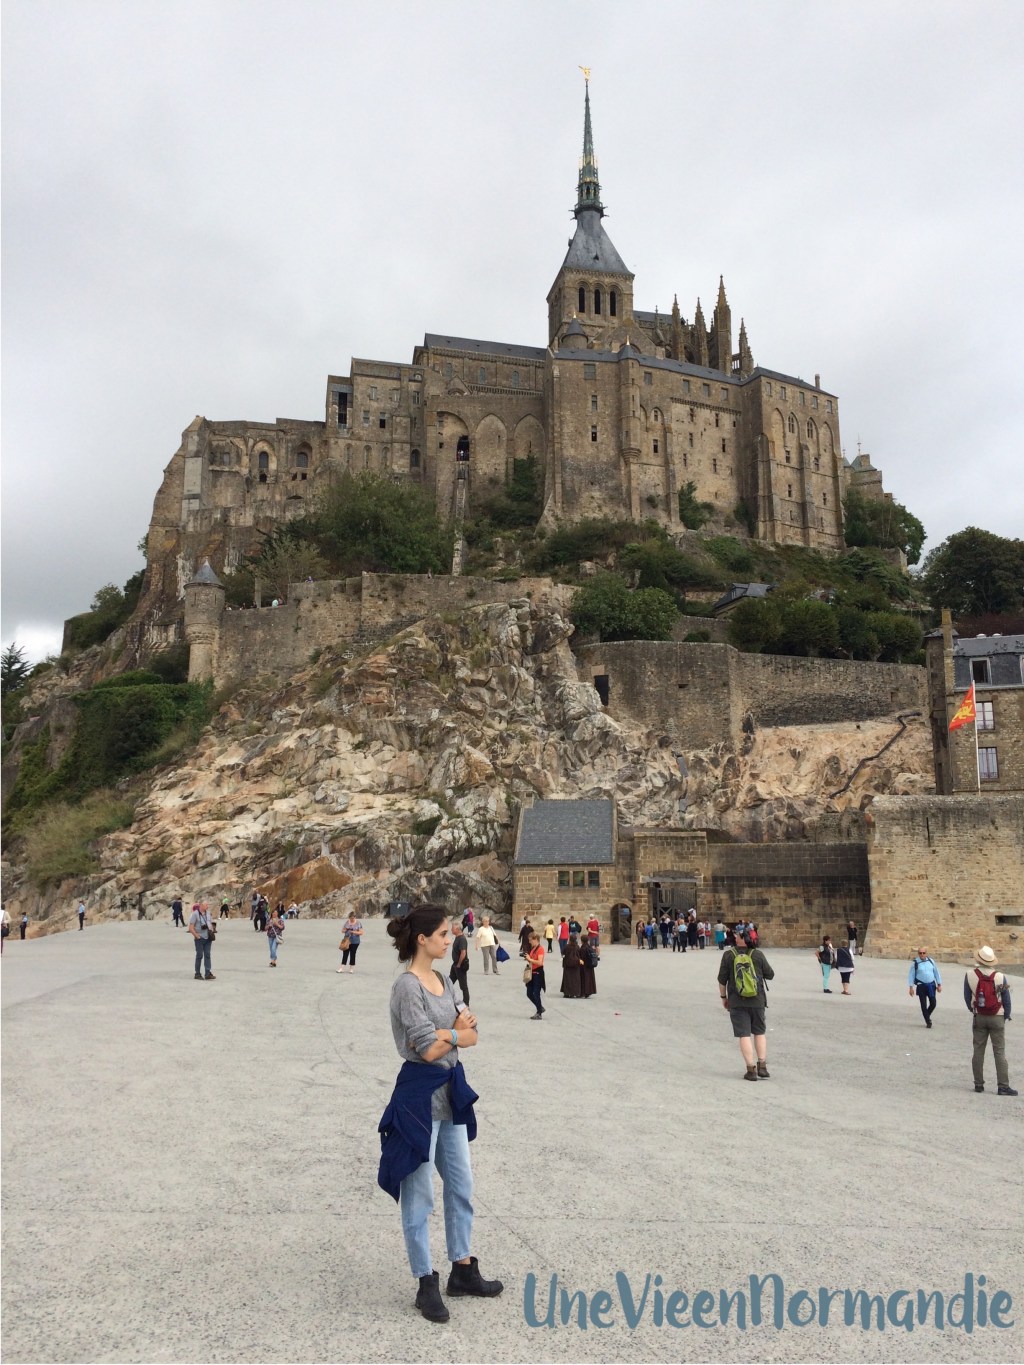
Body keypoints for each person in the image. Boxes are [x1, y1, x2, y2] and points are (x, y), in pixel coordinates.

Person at [378, 905, 502, 1322]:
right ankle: (424, 1281)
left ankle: (462, 1269)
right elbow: (428, 1049)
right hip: (417, 1099)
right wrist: (455, 1033)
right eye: (445, 934)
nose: (451, 940)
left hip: (450, 1095)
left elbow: (475, 1035)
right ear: (423, 940)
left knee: (461, 1184)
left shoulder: (445, 980)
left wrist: (452, 1034)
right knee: (420, 1195)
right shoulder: (407, 987)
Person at [718, 926, 775, 1080]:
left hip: (737, 1001)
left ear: (738, 939)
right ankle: (762, 1065)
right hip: (757, 1000)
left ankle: (751, 1070)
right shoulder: (757, 954)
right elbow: (770, 975)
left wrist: (724, 997)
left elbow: (722, 979)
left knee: (744, 1034)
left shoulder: (728, 955)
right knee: (759, 1032)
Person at [964, 946, 1016, 1095]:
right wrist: (1005, 1016)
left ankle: (978, 1084)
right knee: (999, 1052)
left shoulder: (969, 974)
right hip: (997, 1015)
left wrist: (974, 1010)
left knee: (978, 1050)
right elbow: (1006, 999)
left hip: (979, 1015)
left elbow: (967, 998)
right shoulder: (999, 976)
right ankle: (1003, 1086)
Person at [908, 948, 941, 1027]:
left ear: (926, 953)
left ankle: (926, 1015)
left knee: (933, 1003)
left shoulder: (931, 961)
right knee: (923, 1004)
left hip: (931, 985)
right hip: (921, 985)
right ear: (918, 954)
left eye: (924, 953)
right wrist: (911, 987)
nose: (922, 954)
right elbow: (911, 975)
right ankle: (928, 1021)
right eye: (920, 953)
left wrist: (939, 984)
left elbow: (936, 972)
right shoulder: (915, 963)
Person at [188, 901, 215, 979]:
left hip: (208, 938)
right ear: (201, 905)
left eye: (208, 904)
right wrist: (196, 935)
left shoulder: (208, 913)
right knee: (199, 955)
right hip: (199, 938)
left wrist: (212, 930)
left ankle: (208, 973)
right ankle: (197, 974)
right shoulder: (195, 914)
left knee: (207, 955)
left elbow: (210, 923)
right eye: (206, 905)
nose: (207, 906)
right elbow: (190, 928)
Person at [525, 931, 545, 1019]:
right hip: (532, 972)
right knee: (529, 993)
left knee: (536, 993)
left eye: (531, 940)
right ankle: (539, 1007)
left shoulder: (540, 949)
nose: (530, 942)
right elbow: (532, 959)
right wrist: (528, 958)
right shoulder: (533, 949)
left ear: (536, 939)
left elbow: (540, 962)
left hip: (538, 972)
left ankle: (539, 1012)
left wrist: (530, 959)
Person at [449, 919, 470, 1005]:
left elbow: (463, 953)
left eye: (452, 928)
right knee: (449, 982)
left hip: (460, 965)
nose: (451, 930)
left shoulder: (462, 939)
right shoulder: (457, 937)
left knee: (463, 986)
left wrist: (459, 964)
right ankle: (447, 999)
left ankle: (466, 1003)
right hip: (455, 964)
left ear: (458, 929)